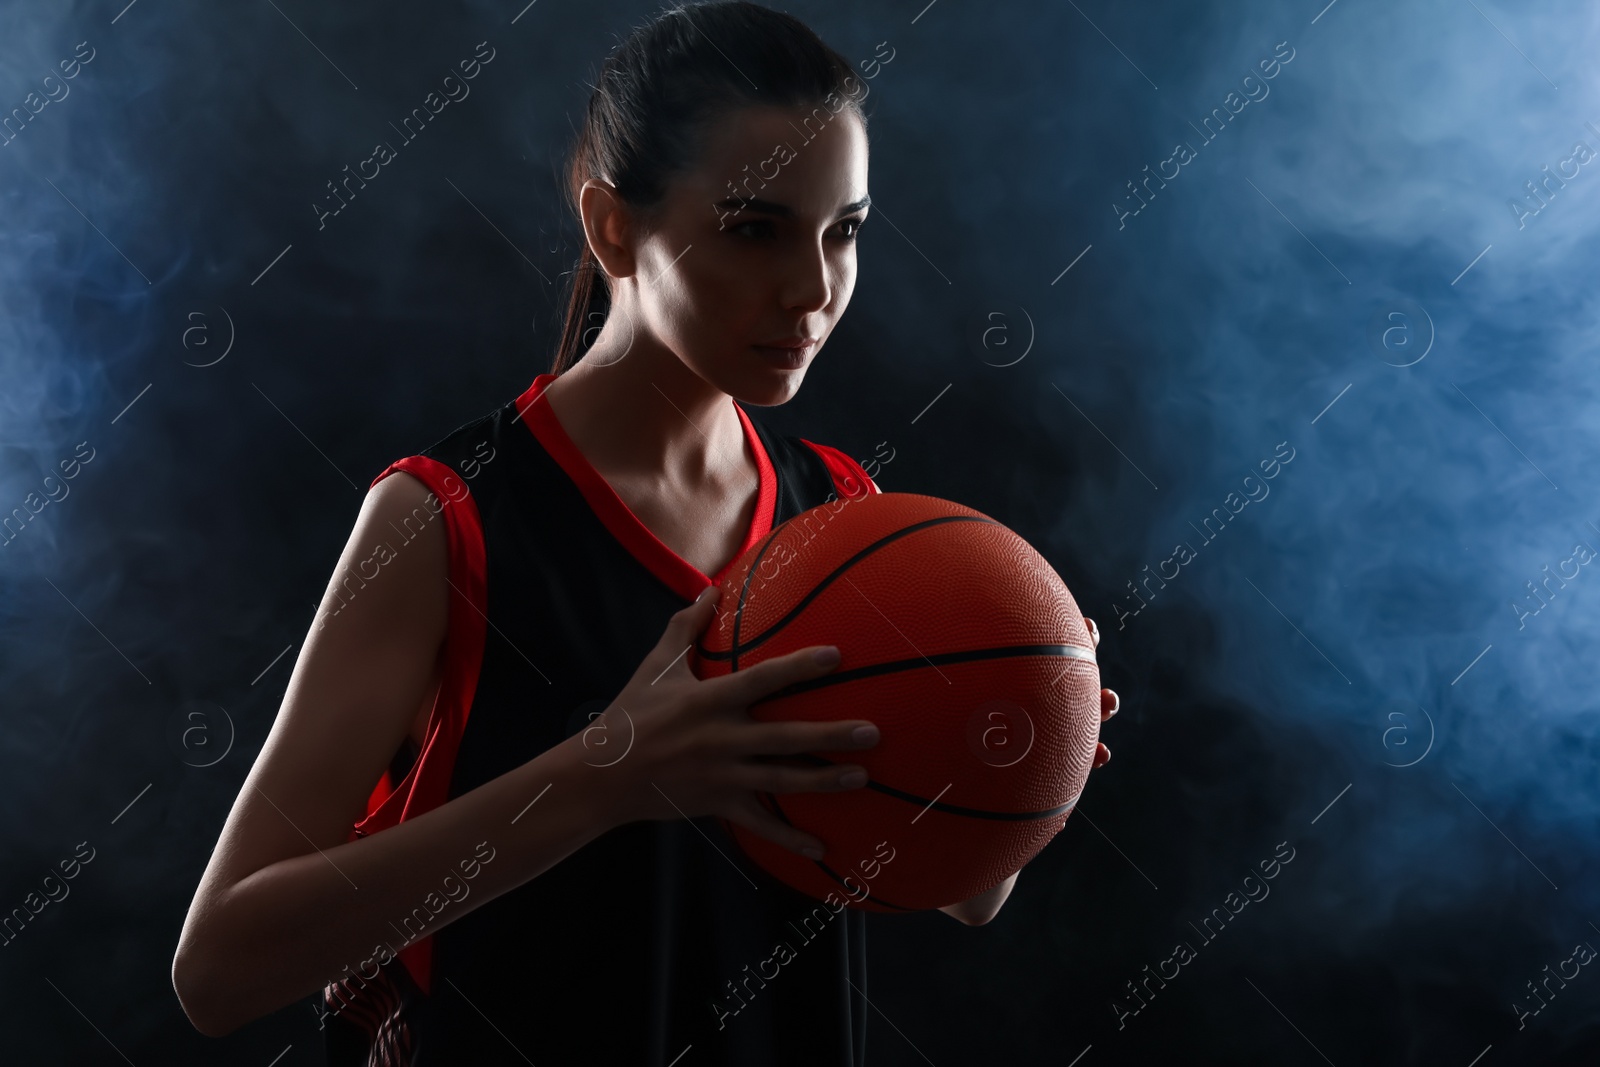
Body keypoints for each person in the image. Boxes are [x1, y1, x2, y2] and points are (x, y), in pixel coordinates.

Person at [171, 2, 1117, 1063]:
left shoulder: (848, 518)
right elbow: (220, 965)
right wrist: (603, 775)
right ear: (614, 225)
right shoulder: (446, 519)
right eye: (754, 228)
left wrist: (1027, 739)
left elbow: (966, 894)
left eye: (842, 230)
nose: (812, 289)